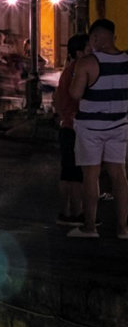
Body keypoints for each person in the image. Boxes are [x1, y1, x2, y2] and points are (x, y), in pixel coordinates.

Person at [66, 18, 128, 238]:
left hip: (90, 127)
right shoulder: (126, 60)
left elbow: (75, 93)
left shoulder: (88, 63)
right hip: (119, 124)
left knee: (90, 176)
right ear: (114, 37)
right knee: (119, 174)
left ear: (94, 38)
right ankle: (123, 228)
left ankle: (90, 227)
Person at [53, 33, 91, 226]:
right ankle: (76, 213)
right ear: (79, 52)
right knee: (76, 173)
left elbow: (58, 100)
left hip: (67, 125)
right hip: (74, 126)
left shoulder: (68, 70)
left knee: (68, 171)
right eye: (88, 49)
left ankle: (66, 212)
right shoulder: (78, 70)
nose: (92, 52)